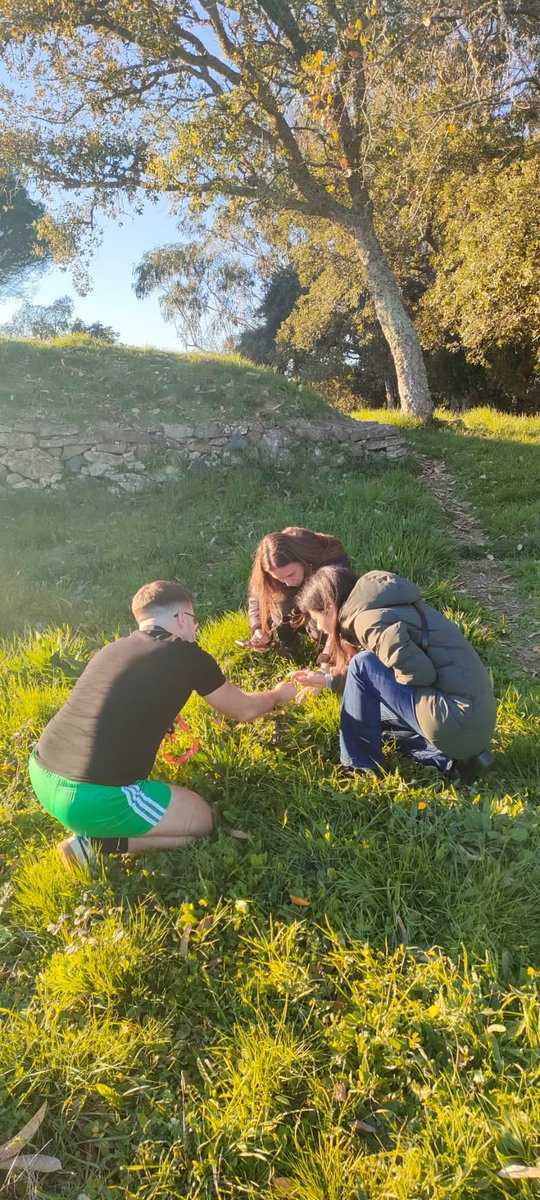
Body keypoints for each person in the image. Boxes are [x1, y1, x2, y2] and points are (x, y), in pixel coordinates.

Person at [29, 580, 298, 871]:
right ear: (182, 618)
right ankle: (97, 844)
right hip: (90, 798)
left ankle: (99, 828)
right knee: (201, 821)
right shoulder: (186, 654)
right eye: (194, 620)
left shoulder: (111, 650)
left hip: (41, 771)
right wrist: (278, 695)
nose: (194, 630)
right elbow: (243, 710)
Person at [292, 566, 496, 780]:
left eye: (315, 618)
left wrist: (387, 684)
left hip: (456, 719)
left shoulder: (367, 621)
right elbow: (382, 676)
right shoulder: (381, 607)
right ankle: (450, 760)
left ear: (329, 607)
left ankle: (360, 767)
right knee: (371, 715)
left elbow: (420, 674)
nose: (318, 627)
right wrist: (328, 680)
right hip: (474, 720)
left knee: (362, 665)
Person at [247, 526, 350, 658]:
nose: (288, 582)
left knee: (319, 628)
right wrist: (259, 628)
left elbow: (338, 610)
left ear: (303, 560)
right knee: (279, 600)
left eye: (291, 574)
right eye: (279, 579)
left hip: (322, 612)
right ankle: (288, 644)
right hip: (294, 610)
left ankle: (323, 643)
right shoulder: (276, 568)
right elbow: (258, 594)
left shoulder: (331, 561)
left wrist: (326, 657)